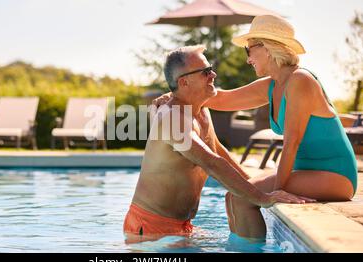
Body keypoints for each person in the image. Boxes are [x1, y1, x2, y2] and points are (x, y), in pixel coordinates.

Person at [152, 15, 357, 239]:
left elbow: (292, 143)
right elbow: (221, 99)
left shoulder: (300, 80)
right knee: (234, 194)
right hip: (308, 172)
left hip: (336, 175)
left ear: (267, 48)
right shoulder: (272, 85)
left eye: (249, 50)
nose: (248, 59)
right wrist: (175, 95)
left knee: (242, 196)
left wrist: (277, 190)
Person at [123, 45, 314, 244]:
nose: (213, 74)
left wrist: (253, 184)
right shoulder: (172, 119)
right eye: (205, 72)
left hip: (182, 226)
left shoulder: (202, 111)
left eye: (211, 68)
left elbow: (219, 152)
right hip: (150, 229)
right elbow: (211, 162)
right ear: (184, 82)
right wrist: (262, 198)